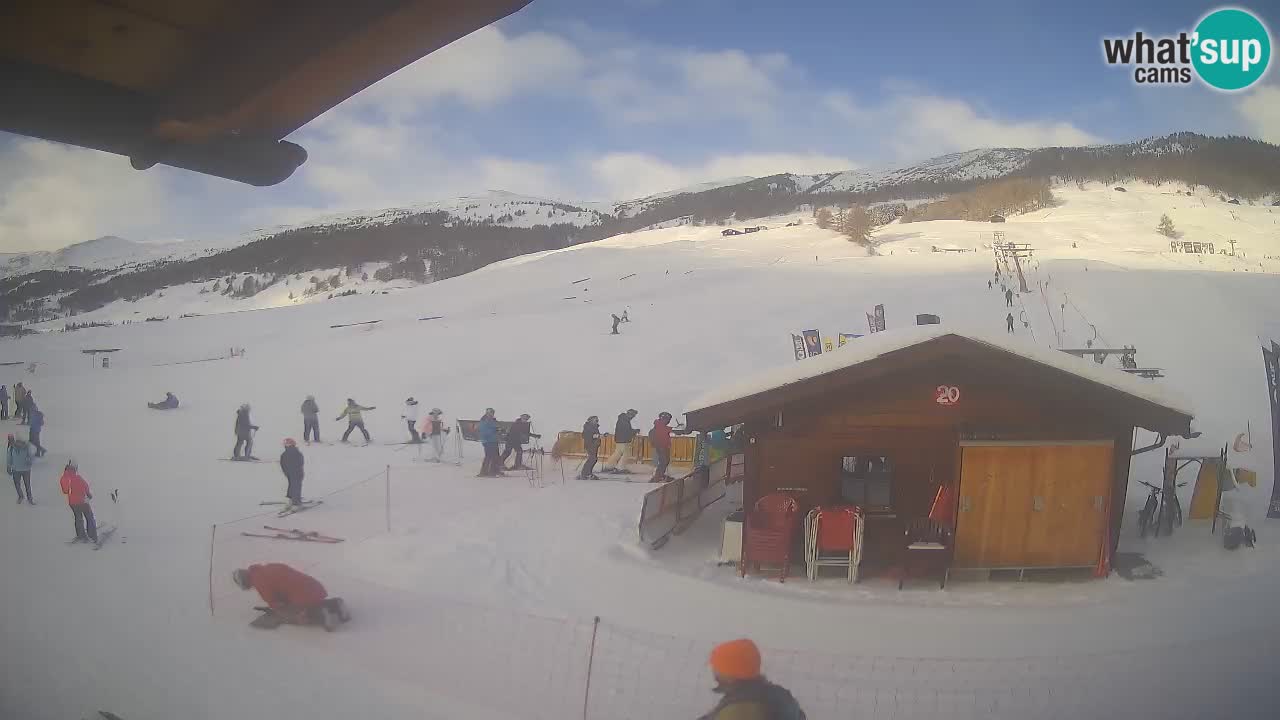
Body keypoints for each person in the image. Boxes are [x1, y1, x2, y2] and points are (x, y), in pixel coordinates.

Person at [698, 639, 806, 720]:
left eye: (718, 668)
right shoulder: (776, 694)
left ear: (731, 675)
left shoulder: (738, 712)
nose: (714, 670)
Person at [231, 563, 349, 631]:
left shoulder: (259, 582)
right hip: (315, 587)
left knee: (291, 613)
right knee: (308, 600)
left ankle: (322, 614)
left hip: (302, 596)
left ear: (244, 581)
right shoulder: (268, 567)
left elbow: (276, 604)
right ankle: (335, 604)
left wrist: (279, 611)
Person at [59, 460, 97, 544]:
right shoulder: (77, 478)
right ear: (74, 468)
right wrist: (88, 494)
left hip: (72, 503)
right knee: (89, 517)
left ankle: (80, 534)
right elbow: (85, 486)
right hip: (82, 501)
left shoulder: (64, 478)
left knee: (78, 518)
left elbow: (65, 491)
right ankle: (92, 535)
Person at [649, 411, 686, 483]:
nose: (668, 421)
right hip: (661, 446)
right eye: (667, 419)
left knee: (665, 461)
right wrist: (679, 429)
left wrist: (679, 430)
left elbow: (670, 430)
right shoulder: (659, 425)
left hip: (664, 446)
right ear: (662, 418)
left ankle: (661, 475)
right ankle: (657, 477)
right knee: (663, 461)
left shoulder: (661, 425)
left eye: (669, 420)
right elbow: (669, 430)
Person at [602, 409, 639, 473]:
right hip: (623, 440)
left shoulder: (622, 419)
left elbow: (626, 430)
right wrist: (635, 431)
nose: (633, 417)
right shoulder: (625, 420)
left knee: (617, 453)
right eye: (633, 415)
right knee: (626, 454)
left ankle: (609, 466)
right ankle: (620, 467)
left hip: (619, 439)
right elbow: (627, 431)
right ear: (630, 414)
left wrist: (633, 431)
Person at [7, 435, 33, 504]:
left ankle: (30, 498)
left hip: (26, 470)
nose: (19, 443)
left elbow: (31, 457)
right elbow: (9, 458)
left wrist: (29, 461)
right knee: (17, 484)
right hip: (16, 470)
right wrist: (9, 467)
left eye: (21, 442)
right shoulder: (11, 448)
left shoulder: (27, 447)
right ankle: (21, 496)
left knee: (27, 484)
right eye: (18, 442)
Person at [279, 438, 305, 506]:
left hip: (289, 473)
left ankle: (291, 498)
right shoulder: (297, 452)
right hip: (297, 472)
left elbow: (282, 464)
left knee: (291, 485)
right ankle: (296, 502)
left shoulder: (284, 454)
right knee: (297, 486)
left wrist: (286, 472)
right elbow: (301, 462)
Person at [477, 408, 502, 477]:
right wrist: (495, 431)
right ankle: (488, 472)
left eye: (492, 413)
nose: (491, 414)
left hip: (493, 440)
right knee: (490, 456)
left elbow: (494, 427)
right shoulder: (484, 420)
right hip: (488, 441)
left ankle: (495, 471)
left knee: (495, 456)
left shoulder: (491, 420)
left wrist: (498, 429)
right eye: (490, 413)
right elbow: (484, 432)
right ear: (487, 413)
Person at [580, 415, 602, 480]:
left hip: (594, 445)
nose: (597, 421)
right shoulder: (588, 427)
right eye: (595, 420)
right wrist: (594, 436)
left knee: (593, 459)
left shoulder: (594, 427)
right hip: (590, 445)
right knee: (592, 459)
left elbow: (595, 435)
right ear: (591, 420)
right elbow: (584, 435)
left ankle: (588, 473)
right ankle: (585, 473)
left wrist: (600, 436)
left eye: (597, 420)